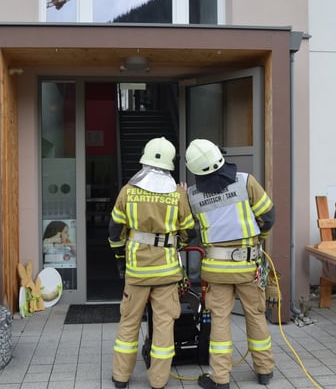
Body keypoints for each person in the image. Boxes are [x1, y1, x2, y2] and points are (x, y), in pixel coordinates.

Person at [184, 139, 276, 388]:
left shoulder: (191, 195)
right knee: (255, 315)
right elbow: (268, 217)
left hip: (216, 270)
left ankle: (220, 378)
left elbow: (187, 231)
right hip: (248, 265)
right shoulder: (246, 182)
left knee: (220, 321)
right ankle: (264, 370)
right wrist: (258, 241)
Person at [108, 137, 195, 389]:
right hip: (167, 273)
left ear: (145, 159)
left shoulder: (127, 191)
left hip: (137, 271)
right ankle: (158, 381)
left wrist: (121, 259)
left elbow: (115, 231)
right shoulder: (178, 194)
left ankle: (121, 377)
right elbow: (189, 232)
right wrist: (175, 244)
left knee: (129, 322)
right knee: (164, 325)